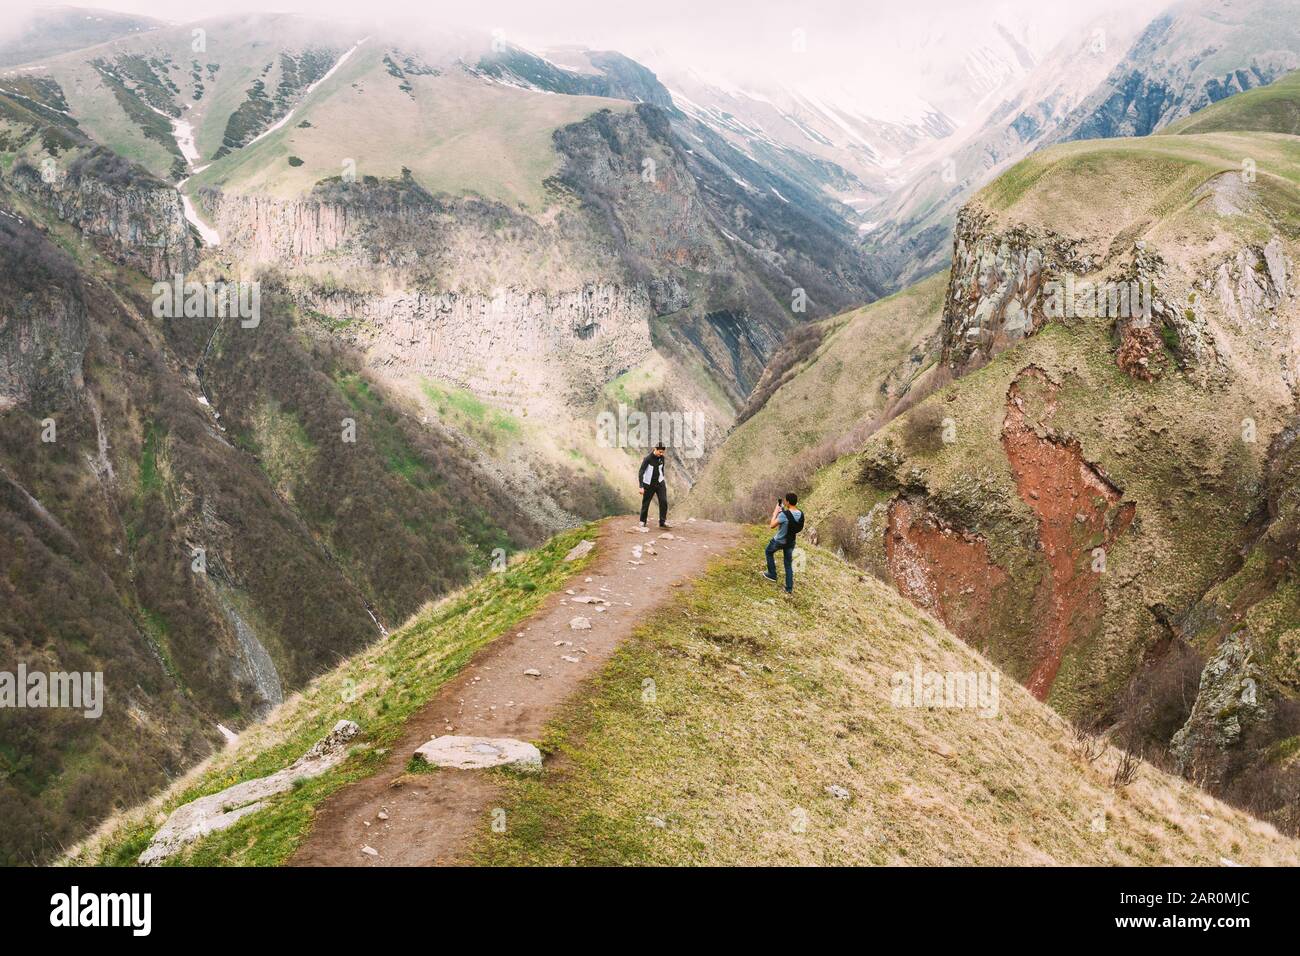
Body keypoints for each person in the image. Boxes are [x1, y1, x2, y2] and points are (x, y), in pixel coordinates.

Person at [762, 493, 804, 594]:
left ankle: (772, 574)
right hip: (791, 541)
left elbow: (772, 525)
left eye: (786, 500)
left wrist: (775, 513)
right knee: (788, 564)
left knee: (768, 551)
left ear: (788, 502)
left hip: (780, 541)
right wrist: (783, 512)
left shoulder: (783, 515)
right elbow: (791, 520)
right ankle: (789, 589)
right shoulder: (800, 514)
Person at [638, 442, 670, 529]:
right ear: (655, 449)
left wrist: (662, 478)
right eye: (660, 452)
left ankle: (662, 522)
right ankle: (642, 521)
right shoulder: (647, 459)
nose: (661, 454)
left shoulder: (662, 458)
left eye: (663, 452)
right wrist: (641, 486)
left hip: (660, 483)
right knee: (646, 503)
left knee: (663, 501)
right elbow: (641, 472)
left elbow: (662, 469)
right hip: (649, 484)